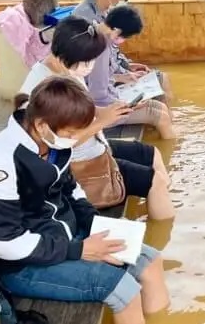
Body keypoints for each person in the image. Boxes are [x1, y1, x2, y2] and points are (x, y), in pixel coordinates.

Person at [0, 76, 169, 324]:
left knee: (151, 262)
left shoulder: (53, 143)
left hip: (69, 237)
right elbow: (5, 244)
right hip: (24, 265)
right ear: (41, 124)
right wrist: (79, 250)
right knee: (124, 289)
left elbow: (72, 190)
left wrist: (97, 224)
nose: (75, 139)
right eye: (71, 134)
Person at [19, 16, 174, 219]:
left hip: (96, 144)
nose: (90, 66)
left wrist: (114, 110)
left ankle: (159, 204)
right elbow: (55, 145)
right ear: (65, 53)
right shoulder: (44, 88)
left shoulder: (67, 68)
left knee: (152, 154)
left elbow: (84, 109)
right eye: (87, 60)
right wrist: (102, 121)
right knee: (156, 181)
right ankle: (163, 230)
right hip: (79, 164)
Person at [73, 0, 174, 102]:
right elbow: (84, 70)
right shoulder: (83, 18)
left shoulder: (107, 11)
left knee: (161, 78)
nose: (123, 2)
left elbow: (113, 53)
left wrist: (127, 66)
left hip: (112, 76)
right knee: (158, 98)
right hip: (100, 89)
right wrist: (119, 77)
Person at [87, 3, 175, 140]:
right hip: (103, 111)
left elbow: (98, 77)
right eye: (126, 37)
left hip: (110, 98)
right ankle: (173, 149)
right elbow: (97, 94)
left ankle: (171, 134)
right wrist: (128, 105)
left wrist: (123, 77)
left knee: (160, 108)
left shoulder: (99, 34)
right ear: (117, 31)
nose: (124, 40)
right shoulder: (101, 49)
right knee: (160, 115)